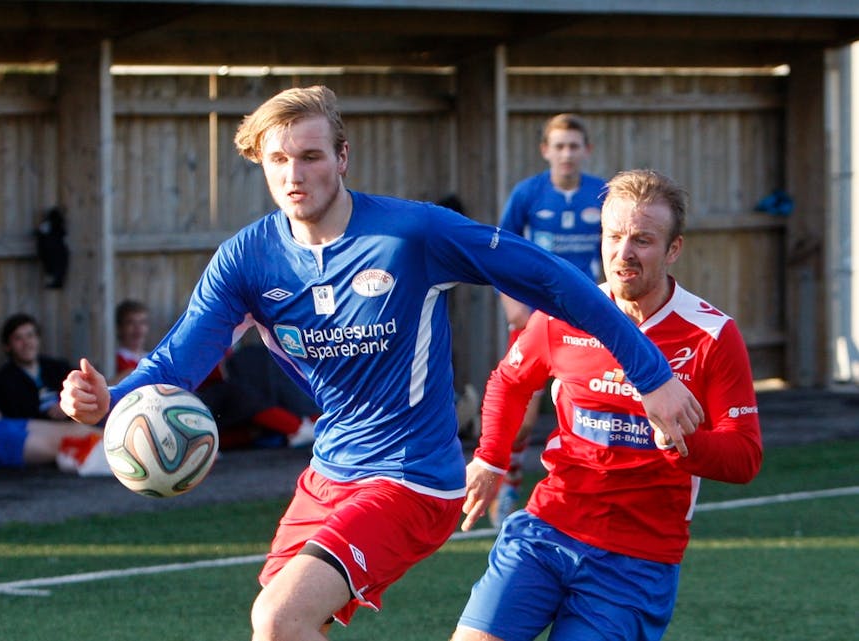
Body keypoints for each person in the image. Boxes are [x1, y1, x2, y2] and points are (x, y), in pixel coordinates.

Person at [59, 86, 703, 641]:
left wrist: (650, 373)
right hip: (329, 471)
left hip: (413, 476)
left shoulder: (411, 234)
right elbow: (181, 358)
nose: (294, 174)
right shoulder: (247, 259)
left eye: (311, 156)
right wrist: (111, 400)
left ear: (341, 158)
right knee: (273, 624)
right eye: (278, 160)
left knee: (283, 617)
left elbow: (549, 278)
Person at [452, 169, 763, 641]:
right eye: (614, 236)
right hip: (547, 528)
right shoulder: (566, 313)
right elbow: (509, 380)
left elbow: (744, 457)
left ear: (673, 249)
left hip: (636, 560)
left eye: (642, 240)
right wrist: (491, 458)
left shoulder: (712, 336)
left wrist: (679, 440)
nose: (623, 254)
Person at [492, 113, 607, 526]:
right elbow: (497, 250)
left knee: (589, 405)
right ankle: (508, 482)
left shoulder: (601, 194)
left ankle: (582, 489)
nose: (566, 154)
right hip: (534, 315)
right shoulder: (527, 194)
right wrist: (511, 302)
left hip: (584, 316)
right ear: (546, 151)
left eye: (574, 146)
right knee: (522, 413)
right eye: (559, 146)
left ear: (586, 151)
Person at [0, 313, 73, 420]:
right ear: (7, 346)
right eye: (18, 338)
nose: (26, 343)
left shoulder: (59, 367)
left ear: (38, 339)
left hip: (76, 423)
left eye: (30, 335)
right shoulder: (0, 385)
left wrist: (66, 407)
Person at [112, 299, 151, 385]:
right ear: (120, 328)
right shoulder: (115, 359)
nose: (138, 328)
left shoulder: (152, 358)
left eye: (142, 322)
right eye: (130, 322)